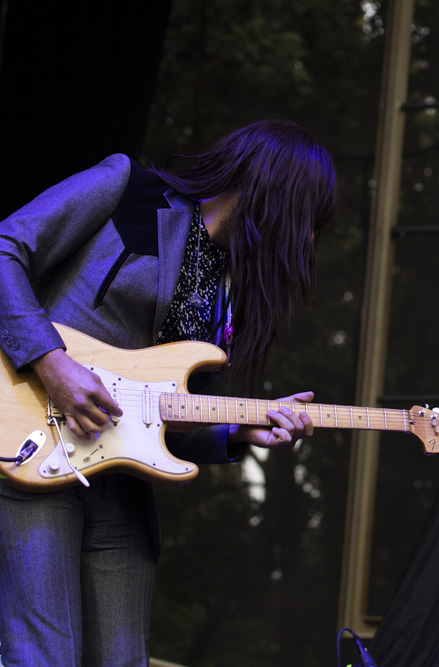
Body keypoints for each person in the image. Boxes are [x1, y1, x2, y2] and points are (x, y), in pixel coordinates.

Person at [0, 119, 338, 666]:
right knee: (44, 656)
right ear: (276, 188)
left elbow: (164, 414)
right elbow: (5, 250)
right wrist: (52, 363)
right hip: (37, 441)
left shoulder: (231, 294)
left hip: (122, 487)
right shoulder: (127, 188)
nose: (304, 237)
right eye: (307, 218)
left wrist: (236, 431)